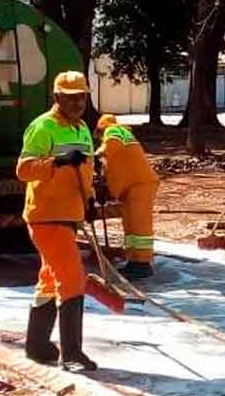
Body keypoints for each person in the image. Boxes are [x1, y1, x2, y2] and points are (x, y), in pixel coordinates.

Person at [16, 71, 97, 372]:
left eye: (82, 97)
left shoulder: (83, 129)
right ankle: (72, 354)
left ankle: (37, 345)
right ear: (57, 98)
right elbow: (24, 170)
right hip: (47, 215)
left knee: (50, 279)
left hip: (70, 212)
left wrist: (89, 200)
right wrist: (59, 161)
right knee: (72, 279)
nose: (78, 102)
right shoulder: (43, 127)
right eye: (71, 97)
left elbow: (85, 169)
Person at [94, 113, 160, 280]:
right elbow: (116, 165)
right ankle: (134, 261)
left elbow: (111, 145)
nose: (100, 138)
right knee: (131, 225)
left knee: (139, 226)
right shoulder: (120, 138)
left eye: (99, 134)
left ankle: (143, 263)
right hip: (131, 187)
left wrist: (96, 155)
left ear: (102, 128)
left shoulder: (114, 131)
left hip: (140, 185)